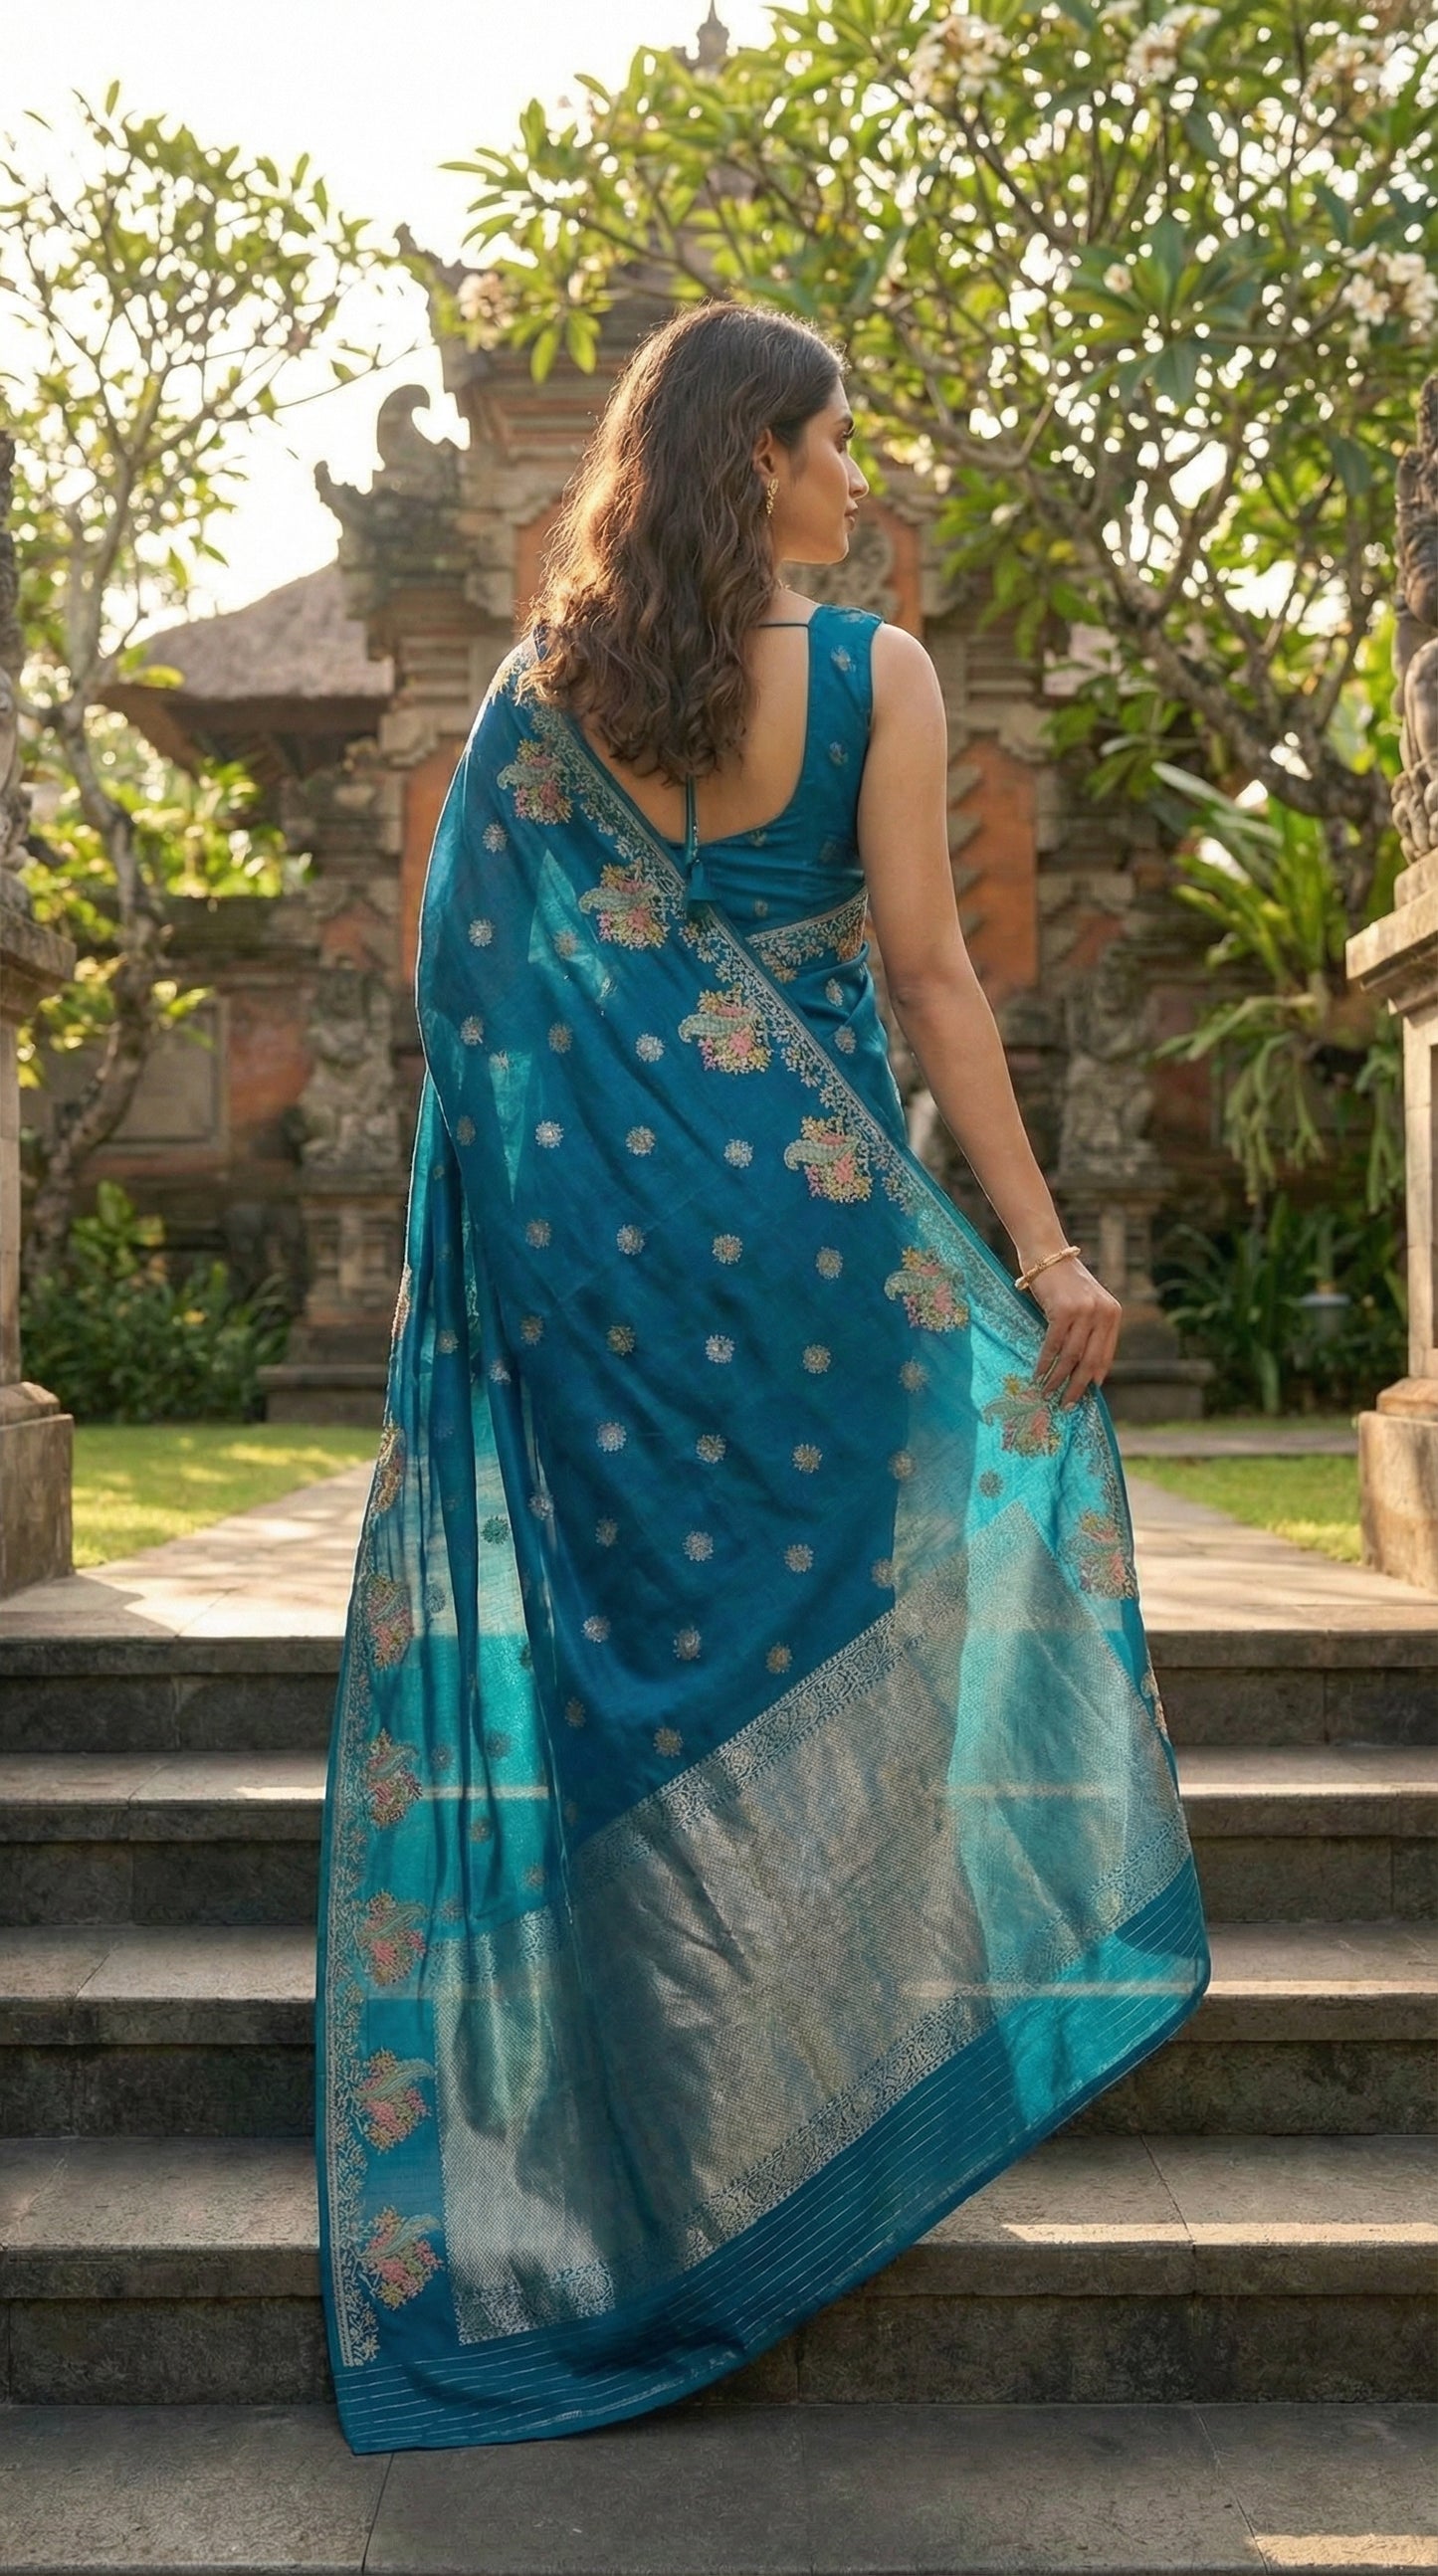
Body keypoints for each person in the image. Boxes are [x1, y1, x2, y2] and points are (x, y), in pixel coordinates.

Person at [315, 300, 1209, 2456]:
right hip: (826, 1264)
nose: (853, 478)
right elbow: (927, 974)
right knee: (828, 1654)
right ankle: (807, 2141)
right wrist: (1044, 1239)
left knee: (643, 1693)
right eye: (826, 445)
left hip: (608, 1280)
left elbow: (467, 1001)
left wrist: (548, 1222)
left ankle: (669, 2165)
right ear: (754, 462)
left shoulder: (543, 695)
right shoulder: (872, 674)